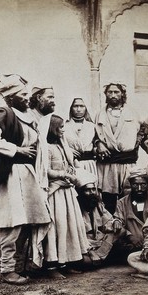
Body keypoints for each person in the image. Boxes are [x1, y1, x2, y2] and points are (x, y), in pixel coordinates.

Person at [0, 74, 51, 285]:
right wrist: (16, 150)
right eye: (22, 95)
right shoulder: (4, 114)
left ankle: (20, 266)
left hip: (27, 175)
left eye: (27, 94)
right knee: (12, 223)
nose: (27, 98)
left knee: (27, 223)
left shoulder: (27, 116)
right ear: (11, 98)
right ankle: (7, 269)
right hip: (11, 176)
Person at [40, 114, 90, 275]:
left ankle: (66, 262)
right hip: (55, 193)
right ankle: (52, 266)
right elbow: (45, 171)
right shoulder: (46, 147)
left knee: (69, 227)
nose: (63, 130)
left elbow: (69, 161)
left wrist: (69, 172)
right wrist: (63, 175)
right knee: (57, 227)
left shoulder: (61, 145)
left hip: (67, 192)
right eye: (60, 127)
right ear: (52, 129)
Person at [95, 81, 143, 214]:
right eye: (110, 92)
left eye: (116, 92)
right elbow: (95, 135)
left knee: (129, 195)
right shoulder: (100, 114)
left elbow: (143, 129)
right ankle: (110, 223)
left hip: (127, 162)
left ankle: (129, 224)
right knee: (108, 196)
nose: (113, 95)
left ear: (122, 94)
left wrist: (137, 142)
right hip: (108, 163)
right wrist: (98, 144)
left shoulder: (132, 113)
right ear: (106, 94)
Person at [112, 167, 148, 259]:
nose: (139, 188)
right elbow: (119, 222)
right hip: (131, 244)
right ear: (130, 184)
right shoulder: (122, 202)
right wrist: (130, 236)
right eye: (135, 184)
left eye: (143, 184)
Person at [75, 170, 121, 269]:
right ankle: (103, 259)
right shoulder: (75, 209)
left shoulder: (97, 204)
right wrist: (91, 252)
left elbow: (108, 220)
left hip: (100, 242)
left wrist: (115, 221)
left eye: (93, 189)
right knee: (82, 260)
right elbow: (76, 236)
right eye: (87, 190)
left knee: (121, 231)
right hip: (84, 245)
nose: (91, 193)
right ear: (80, 192)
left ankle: (100, 258)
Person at [65, 98, 97, 177]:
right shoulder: (64, 126)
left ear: (86, 108)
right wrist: (67, 150)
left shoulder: (92, 126)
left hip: (89, 163)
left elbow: (97, 143)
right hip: (71, 164)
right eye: (75, 106)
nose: (78, 109)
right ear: (71, 108)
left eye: (82, 106)